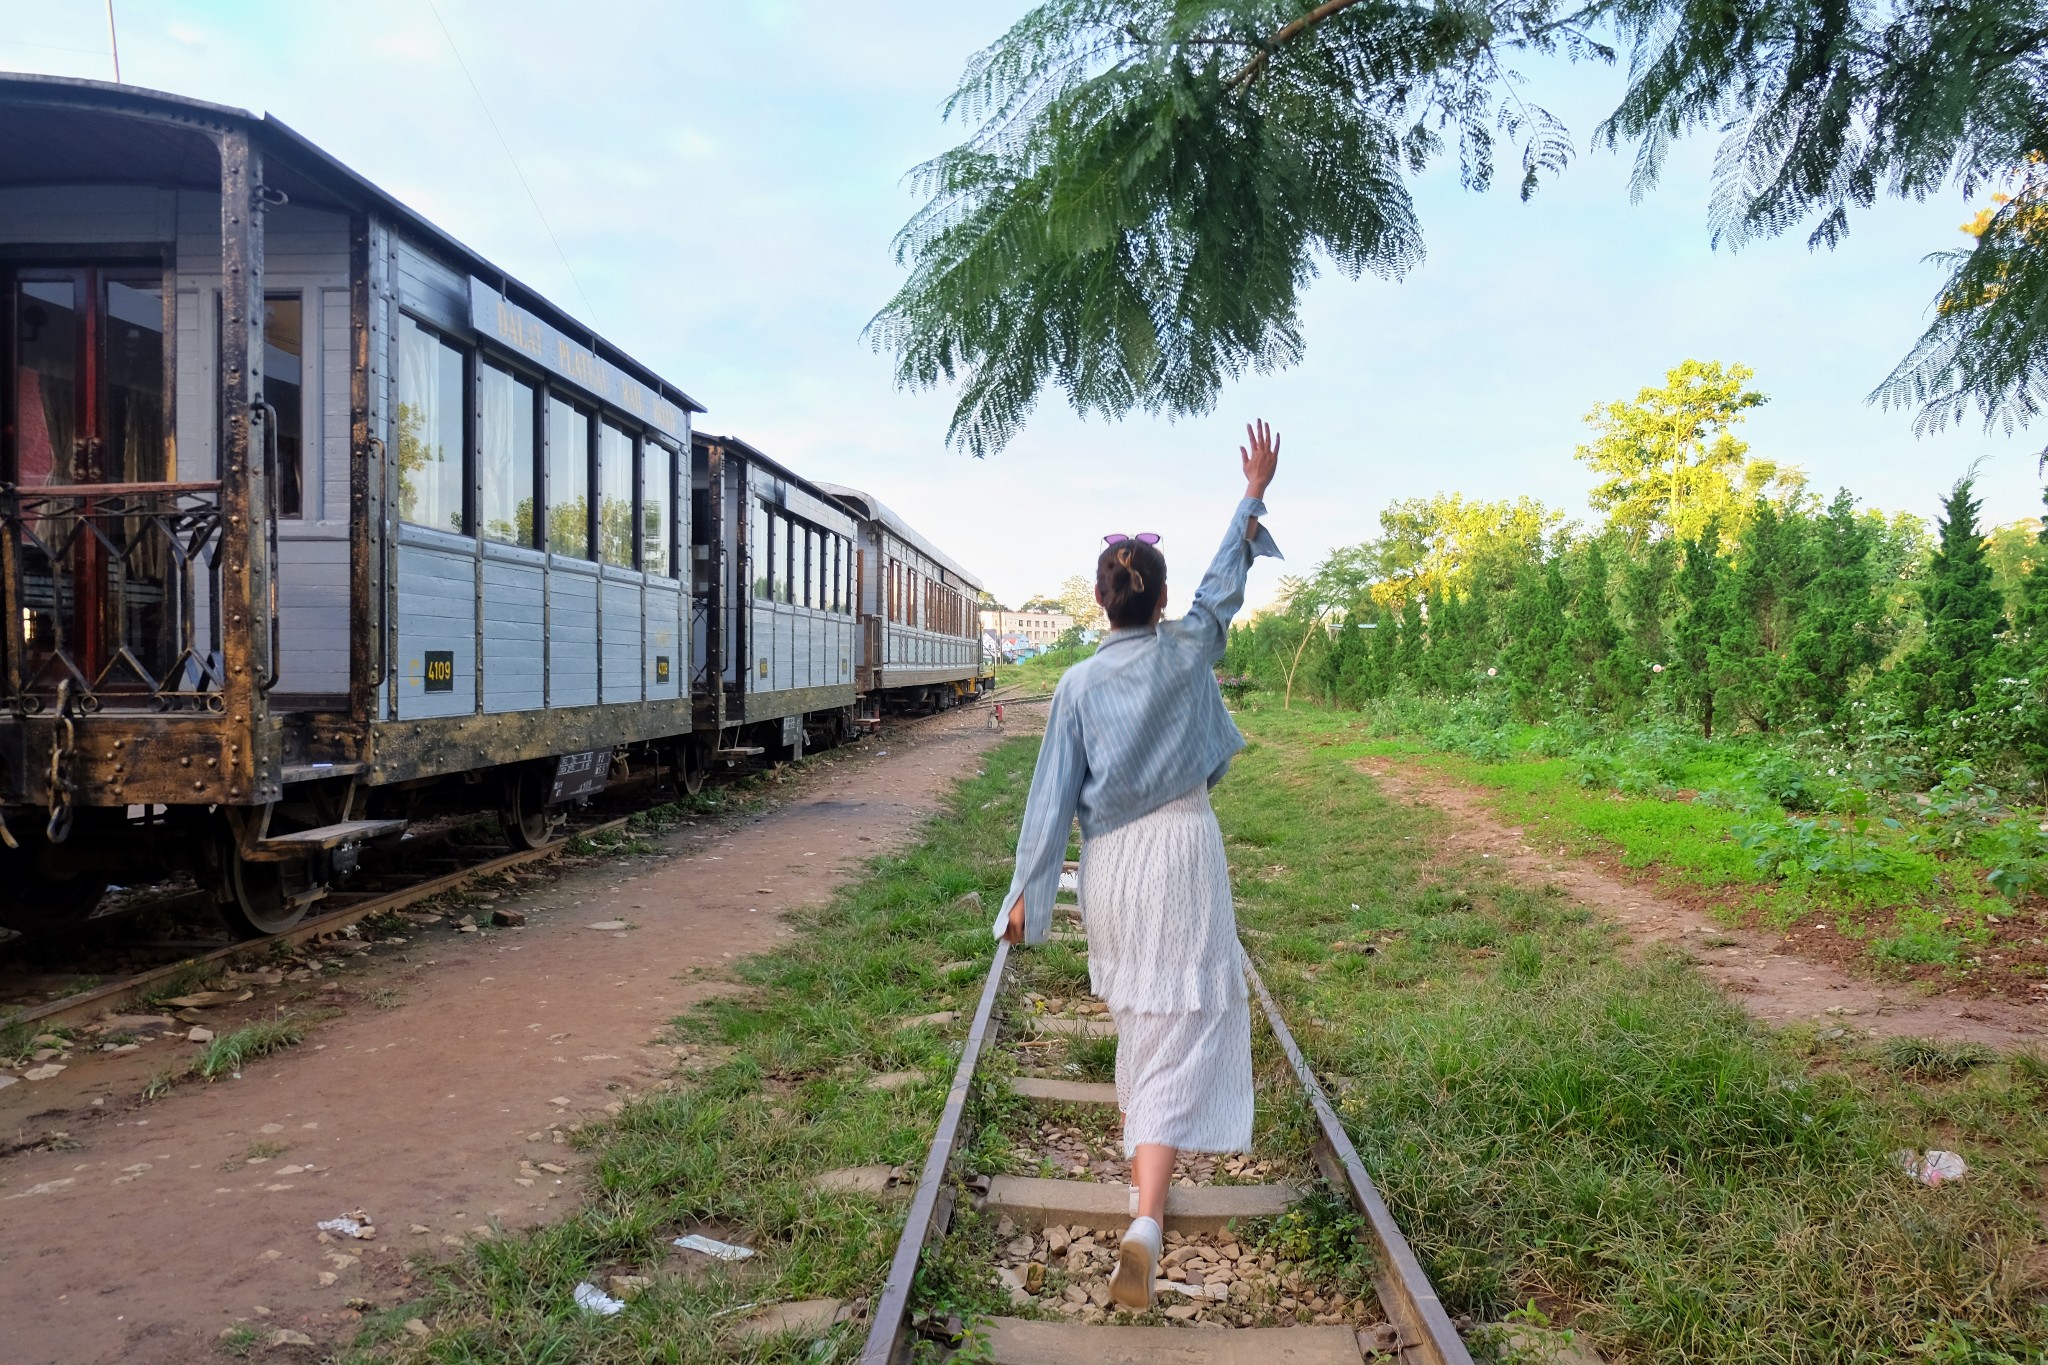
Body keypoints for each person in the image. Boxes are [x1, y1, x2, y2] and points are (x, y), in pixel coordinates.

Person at [995, 420, 1281, 1310]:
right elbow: (1222, 589)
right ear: (1156, 602)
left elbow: (1049, 802)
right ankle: (1148, 1218)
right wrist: (1252, 493)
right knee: (1181, 1027)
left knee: (1139, 1023)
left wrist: (1025, 898)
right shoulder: (1188, 647)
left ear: (1098, 599)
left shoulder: (1077, 684)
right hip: (1188, 850)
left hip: (1115, 867)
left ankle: (1138, 1201)